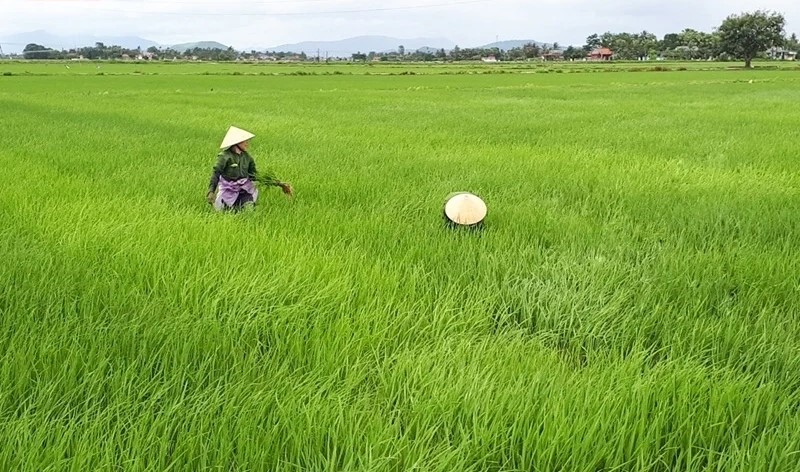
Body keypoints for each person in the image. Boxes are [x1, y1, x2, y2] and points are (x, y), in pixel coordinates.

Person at [206, 126, 293, 211]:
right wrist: (211, 191)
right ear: (237, 142)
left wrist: (278, 183)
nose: (247, 143)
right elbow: (216, 173)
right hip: (228, 192)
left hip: (244, 190)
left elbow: (255, 176)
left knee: (248, 210)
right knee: (223, 211)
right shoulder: (224, 157)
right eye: (245, 141)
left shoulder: (247, 158)